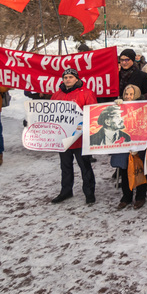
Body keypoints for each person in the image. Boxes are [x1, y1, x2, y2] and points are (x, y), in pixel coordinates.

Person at [49, 68, 97, 205]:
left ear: (77, 79)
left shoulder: (86, 93)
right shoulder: (57, 94)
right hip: (63, 139)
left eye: (70, 77)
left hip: (80, 139)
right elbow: (49, 113)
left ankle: (89, 193)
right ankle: (66, 191)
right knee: (65, 167)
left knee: (85, 166)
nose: (67, 79)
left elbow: (93, 113)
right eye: (65, 77)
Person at [110, 85, 147, 210]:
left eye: (131, 94)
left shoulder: (143, 107)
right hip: (123, 145)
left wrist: (139, 144)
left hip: (138, 145)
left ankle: (140, 196)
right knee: (124, 171)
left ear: (136, 95)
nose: (128, 96)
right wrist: (116, 107)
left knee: (139, 170)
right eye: (126, 94)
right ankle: (126, 197)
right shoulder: (120, 106)